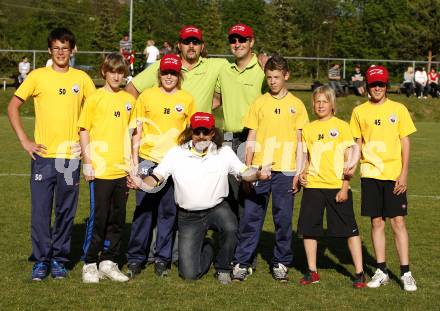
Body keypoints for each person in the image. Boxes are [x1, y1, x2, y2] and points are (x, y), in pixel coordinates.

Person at [127, 112, 270, 284]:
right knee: (189, 275)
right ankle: (209, 246)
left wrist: (257, 175)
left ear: (212, 133)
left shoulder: (223, 152)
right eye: (197, 132)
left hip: (217, 208)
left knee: (231, 227)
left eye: (205, 132)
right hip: (188, 216)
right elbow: (157, 177)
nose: (201, 136)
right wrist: (141, 184)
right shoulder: (176, 153)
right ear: (190, 132)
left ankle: (223, 267)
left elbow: (243, 172)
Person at [7, 27, 96, 281]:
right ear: (49, 50)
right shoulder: (37, 76)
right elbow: (13, 106)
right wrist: (25, 140)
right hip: (43, 158)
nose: (60, 52)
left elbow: (96, 111)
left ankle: (59, 259)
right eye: (56, 48)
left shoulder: (82, 79)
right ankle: (41, 260)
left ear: (72, 50)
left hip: (70, 159)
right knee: (40, 212)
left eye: (65, 48)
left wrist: (89, 145)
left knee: (66, 211)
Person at [232, 55, 309, 282]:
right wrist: (248, 171)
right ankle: (242, 262)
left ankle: (281, 263)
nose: (272, 81)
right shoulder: (259, 103)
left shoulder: (297, 105)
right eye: (269, 77)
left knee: (283, 219)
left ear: (286, 76)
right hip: (260, 169)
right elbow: (251, 137)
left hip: (286, 171)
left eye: (276, 77)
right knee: (251, 218)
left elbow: (300, 142)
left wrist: (298, 172)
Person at [126, 54, 195, 278]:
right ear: (159, 73)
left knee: (168, 212)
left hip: (173, 163)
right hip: (147, 160)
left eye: (173, 73)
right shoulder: (146, 96)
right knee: (144, 210)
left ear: (179, 75)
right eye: (165, 72)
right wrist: (134, 162)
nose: (168, 76)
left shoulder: (187, 99)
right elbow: (136, 131)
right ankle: (136, 257)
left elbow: (191, 135)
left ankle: (162, 258)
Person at [349, 65, 418, 291]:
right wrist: (350, 166)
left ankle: (406, 272)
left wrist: (404, 173)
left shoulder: (399, 109)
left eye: (381, 84)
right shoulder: (359, 112)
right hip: (370, 175)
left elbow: (405, 142)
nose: (377, 88)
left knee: (398, 222)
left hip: (393, 175)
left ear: (387, 86)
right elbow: (357, 143)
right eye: (373, 84)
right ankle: (381, 270)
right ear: (366, 86)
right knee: (376, 222)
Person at [297, 85, 366, 288]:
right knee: (309, 230)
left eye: (324, 101)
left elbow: (350, 159)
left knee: (349, 231)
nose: (320, 105)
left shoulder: (342, 126)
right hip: (313, 187)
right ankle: (312, 272)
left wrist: (345, 187)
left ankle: (360, 273)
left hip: (337, 187)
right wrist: (302, 173)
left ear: (332, 104)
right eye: (317, 101)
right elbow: (307, 158)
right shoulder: (308, 129)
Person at [79, 53, 135, 283]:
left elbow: (134, 134)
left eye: (120, 72)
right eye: (112, 71)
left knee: (117, 218)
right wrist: (87, 162)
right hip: (100, 171)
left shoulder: (129, 100)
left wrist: (132, 165)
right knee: (99, 218)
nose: (116, 76)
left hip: (121, 170)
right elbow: (84, 130)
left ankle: (109, 262)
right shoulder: (94, 99)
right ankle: (90, 262)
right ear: (104, 72)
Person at [125, 25, 227, 113]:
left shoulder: (215, 65)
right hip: (164, 132)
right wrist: (139, 116)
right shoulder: (164, 64)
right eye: (186, 42)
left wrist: (201, 109)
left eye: (195, 42)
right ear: (179, 45)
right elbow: (131, 88)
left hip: (198, 133)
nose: (191, 46)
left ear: (202, 46)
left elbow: (218, 99)